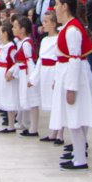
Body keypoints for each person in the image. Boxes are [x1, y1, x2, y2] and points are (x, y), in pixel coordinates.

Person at [51, 0, 92, 171]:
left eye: (57, 4)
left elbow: (75, 59)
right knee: (75, 116)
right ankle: (78, 154)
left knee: (75, 117)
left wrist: (71, 88)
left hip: (75, 76)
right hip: (70, 73)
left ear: (65, 6)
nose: (55, 8)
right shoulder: (69, 27)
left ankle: (80, 159)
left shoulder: (72, 30)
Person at [31, 11, 61, 144]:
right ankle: (54, 132)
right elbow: (40, 60)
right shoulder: (44, 40)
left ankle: (59, 133)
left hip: (53, 71)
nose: (43, 24)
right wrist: (33, 78)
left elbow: (59, 59)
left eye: (46, 22)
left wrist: (57, 78)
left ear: (54, 24)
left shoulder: (58, 39)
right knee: (49, 101)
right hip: (45, 72)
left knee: (56, 102)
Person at [12, 16, 40, 137]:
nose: (13, 29)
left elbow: (29, 61)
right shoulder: (22, 42)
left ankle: (33, 128)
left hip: (27, 74)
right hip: (23, 73)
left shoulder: (26, 44)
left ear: (22, 29)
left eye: (15, 27)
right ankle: (26, 124)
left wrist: (32, 78)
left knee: (32, 100)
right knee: (26, 99)